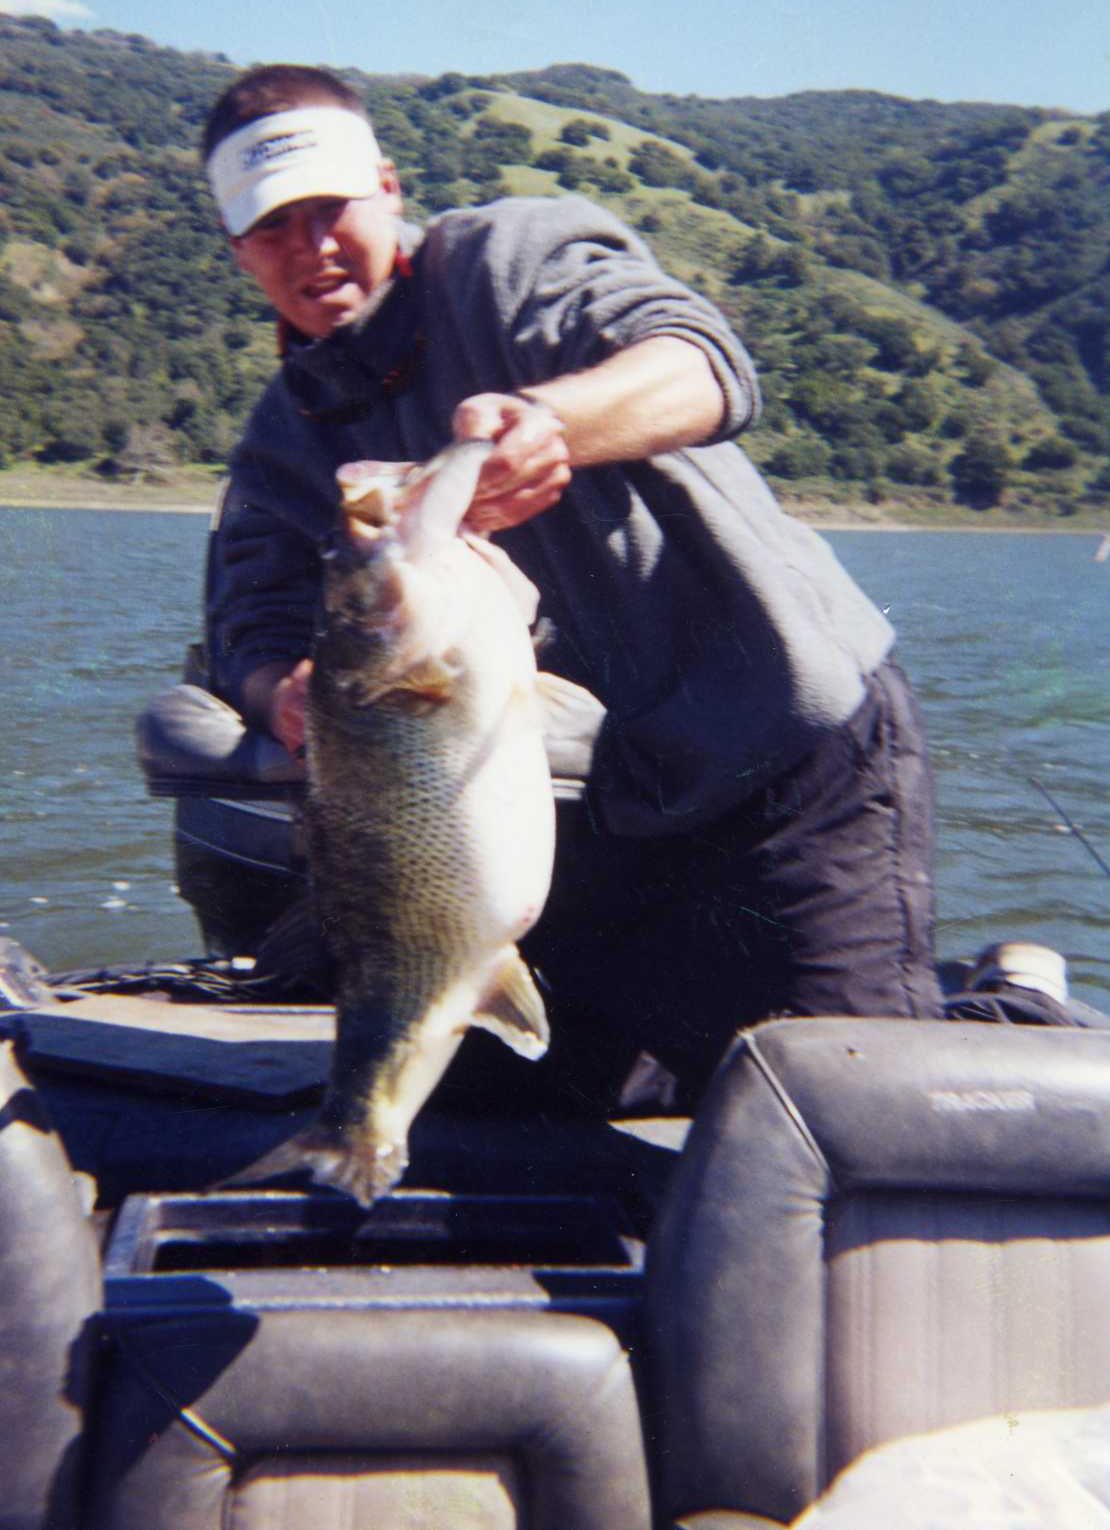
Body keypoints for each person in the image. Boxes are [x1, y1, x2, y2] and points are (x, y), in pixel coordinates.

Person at [201, 64, 943, 1115]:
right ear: (235, 247)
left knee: (845, 1108)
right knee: (518, 1092)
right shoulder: (283, 445)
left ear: (390, 186)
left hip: (796, 751)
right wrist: (286, 692)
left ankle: (1005, 1012)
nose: (310, 247)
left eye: (330, 209)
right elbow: (249, 623)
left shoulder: (513, 261)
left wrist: (557, 420)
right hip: (619, 797)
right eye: (273, 226)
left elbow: (703, 362)